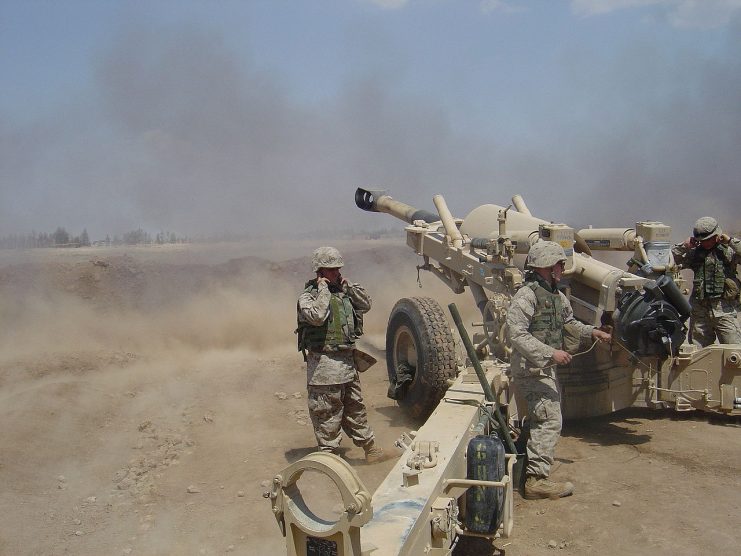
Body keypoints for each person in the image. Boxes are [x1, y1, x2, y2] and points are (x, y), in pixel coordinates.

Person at [506, 241, 611, 500]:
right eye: (559, 264)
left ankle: (527, 471)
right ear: (546, 266)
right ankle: (536, 480)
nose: (562, 269)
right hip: (531, 369)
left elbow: (569, 323)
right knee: (550, 420)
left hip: (544, 368)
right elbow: (516, 334)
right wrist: (550, 353)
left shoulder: (556, 295)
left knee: (541, 418)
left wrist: (592, 332)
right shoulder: (527, 296)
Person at [296, 246, 386, 463]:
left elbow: (366, 305)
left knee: (356, 408)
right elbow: (317, 316)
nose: (337, 273)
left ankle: (371, 449)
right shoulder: (309, 298)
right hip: (324, 367)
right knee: (327, 413)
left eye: (338, 269)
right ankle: (330, 459)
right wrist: (324, 290)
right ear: (320, 272)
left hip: (347, 363)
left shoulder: (344, 293)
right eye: (331, 270)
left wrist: (348, 287)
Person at [671, 217, 741, 347]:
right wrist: (684, 246)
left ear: (717, 236)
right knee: (697, 353)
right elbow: (669, 260)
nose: (705, 243)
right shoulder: (694, 253)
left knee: (734, 352)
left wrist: (731, 241)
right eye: (701, 240)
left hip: (724, 309)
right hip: (700, 310)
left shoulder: (729, 251)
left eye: (708, 239)